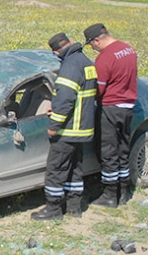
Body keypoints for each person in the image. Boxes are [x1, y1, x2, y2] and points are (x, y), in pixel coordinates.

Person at [31, 33, 97, 221]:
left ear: (55, 51)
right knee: (75, 169)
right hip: (83, 129)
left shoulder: (69, 67)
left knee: (56, 170)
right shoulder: (86, 62)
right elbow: (81, 96)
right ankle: (74, 208)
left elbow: (66, 99)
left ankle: (53, 209)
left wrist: (54, 126)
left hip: (67, 130)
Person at [83, 23, 138, 208]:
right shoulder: (128, 49)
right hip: (127, 107)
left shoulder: (105, 58)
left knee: (108, 152)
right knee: (123, 148)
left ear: (97, 40)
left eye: (92, 45)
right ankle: (124, 191)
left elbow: (99, 89)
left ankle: (109, 194)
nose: (93, 49)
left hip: (110, 108)